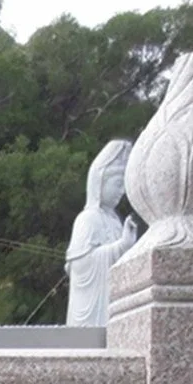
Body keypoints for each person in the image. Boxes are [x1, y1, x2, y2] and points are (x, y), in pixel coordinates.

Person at [65, 139, 139, 327]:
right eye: (116, 184)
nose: (121, 191)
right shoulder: (87, 219)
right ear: (99, 183)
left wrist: (127, 247)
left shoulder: (115, 221)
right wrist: (121, 246)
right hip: (93, 310)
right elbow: (80, 265)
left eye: (123, 186)